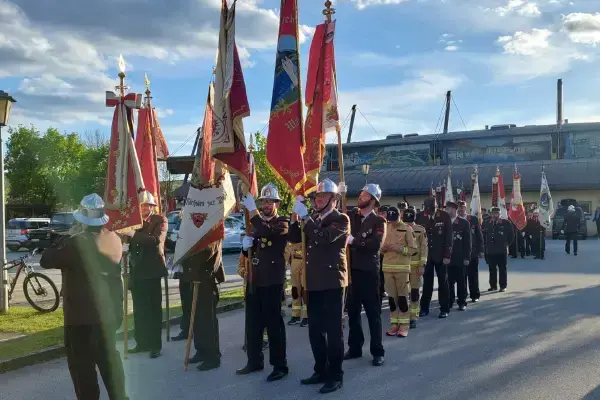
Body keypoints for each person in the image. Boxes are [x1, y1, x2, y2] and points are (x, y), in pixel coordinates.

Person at [40, 194, 128, 400]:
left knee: (83, 371)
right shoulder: (114, 239)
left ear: (81, 219)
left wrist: (62, 239)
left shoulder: (75, 243)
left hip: (81, 319)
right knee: (110, 365)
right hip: (108, 314)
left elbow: (46, 260)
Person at [289, 178, 349, 394]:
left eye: (322, 197)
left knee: (333, 332)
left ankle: (336, 375)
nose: (317, 200)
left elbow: (323, 238)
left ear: (333, 200)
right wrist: (295, 215)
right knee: (315, 330)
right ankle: (320, 369)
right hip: (312, 282)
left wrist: (305, 217)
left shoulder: (341, 219)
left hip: (332, 282)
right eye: (316, 197)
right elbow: (294, 236)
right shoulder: (311, 218)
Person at [236, 183, 289, 382]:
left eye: (270, 201)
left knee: (274, 324)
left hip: (272, 281)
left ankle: (280, 365)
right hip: (254, 279)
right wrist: (244, 247)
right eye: (263, 201)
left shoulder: (281, 222)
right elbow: (252, 250)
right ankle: (254, 360)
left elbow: (267, 233)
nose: (266, 205)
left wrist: (253, 211)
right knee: (253, 323)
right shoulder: (254, 225)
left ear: (276, 204)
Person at [345, 184, 386, 367]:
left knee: (373, 313)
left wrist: (355, 241)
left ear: (373, 200)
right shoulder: (353, 216)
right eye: (360, 194)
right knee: (352, 312)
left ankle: (377, 351)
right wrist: (340, 194)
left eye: (364, 195)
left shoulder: (379, 222)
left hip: (368, 272)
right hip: (352, 271)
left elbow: (374, 245)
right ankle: (355, 347)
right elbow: (339, 214)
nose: (360, 197)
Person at [124, 191, 168, 359]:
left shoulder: (160, 220)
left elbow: (154, 241)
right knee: (139, 310)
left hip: (152, 271)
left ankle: (155, 345)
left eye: (145, 206)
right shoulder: (134, 221)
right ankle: (142, 343)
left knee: (153, 310)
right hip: (136, 271)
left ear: (151, 206)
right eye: (140, 206)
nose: (142, 208)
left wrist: (132, 234)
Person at [182, 240, 225, 371]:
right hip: (196, 279)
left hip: (206, 280)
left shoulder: (211, 233)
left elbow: (206, 252)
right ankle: (201, 350)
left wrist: (187, 252)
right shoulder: (197, 233)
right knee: (197, 320)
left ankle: (212, 357)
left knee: (207, 321)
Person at [381, 206, 416, 337]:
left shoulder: (407, 229)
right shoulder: (386, 227)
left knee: (402, 299)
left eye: (394, 219)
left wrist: (397, 248)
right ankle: (394, 325)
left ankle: (404, 326)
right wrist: (383, 248)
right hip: (387, 268)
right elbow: (380, 248)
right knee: (391, 299)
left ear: (399, 216)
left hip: (402, 268)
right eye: (390, 219)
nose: (392, 222)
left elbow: (413, 250)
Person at [416, 197, 453, 319]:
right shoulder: (420, 216)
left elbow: (449, 237)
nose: (429, 212)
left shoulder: (444, 216)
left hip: (441, 255)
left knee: (443, 283)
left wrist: (447, 254)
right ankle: (424, 308)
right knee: (427, 283)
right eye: (427, 210)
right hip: (426, 255)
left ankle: (444, 309)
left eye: (431, 209)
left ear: (436, 206)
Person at [237, 252, 269, 351]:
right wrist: (244, 272)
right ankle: (250, 340)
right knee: (251, 317)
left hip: (263, 286)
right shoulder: (245, 251)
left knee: (264, 316)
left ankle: (264, 340)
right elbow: (240, 266)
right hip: (249, 287)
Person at [446, 201, 471, 311]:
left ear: (455, 210)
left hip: (460, 257)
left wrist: (467, 257)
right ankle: (450, 301)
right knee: (449, 282)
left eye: (450, 209)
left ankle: (462, 302)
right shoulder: (444, 222)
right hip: (447, 258)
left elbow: (467, 242)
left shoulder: (463, 223)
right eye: (447, 208)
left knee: (461, 282)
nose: (448, 210)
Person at [404, 206, 427, 328]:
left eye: (410, 221)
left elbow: (424, 248)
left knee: (414, 293)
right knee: (402, 293)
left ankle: (413, 317)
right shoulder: (400, 229)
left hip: (416, 267)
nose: (408, 224)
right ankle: (403, 316)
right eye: (406, 221)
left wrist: (422, 265)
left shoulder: (420, 230)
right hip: (402, 266)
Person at [457, 201, 484, 303]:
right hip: (460, 253)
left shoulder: (473, 219)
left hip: (472, 252)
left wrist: (481, 250)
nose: (461, 209)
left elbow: (479, 235)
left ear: (466, 208)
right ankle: (463, 295)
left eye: (462, 207)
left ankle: (475, 295)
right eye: (459, 207)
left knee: (473, 275)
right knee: (461, 276)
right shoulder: (455, 220)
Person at [484, 207, 514, 292]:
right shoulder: (487, 223)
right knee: (492, 269)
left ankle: (503, 286)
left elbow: (511, 235)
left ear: (500, 214)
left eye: (497, 213)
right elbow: (484, 235)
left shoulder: (506, 223)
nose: (495, 215)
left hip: (501, 250)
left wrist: (506, 244)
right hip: (490, 250)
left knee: (502, 269)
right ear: (491, 214)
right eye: (493, 213)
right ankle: (493, 286)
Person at [286, 241, 308, 327]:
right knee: (295, 291)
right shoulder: (292, 233)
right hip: (294, 262)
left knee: (304, 291)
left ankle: (306, 316)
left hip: (305, 261)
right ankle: (296, 315)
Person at [377, 206, 389, 304]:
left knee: (386, 275)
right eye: (380, 213)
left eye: (383, 213)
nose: (381, 215)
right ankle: (381, 291)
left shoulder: (389, 225)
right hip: (379, 254)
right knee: (380, 274)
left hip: (388, 254)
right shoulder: (376, 223)